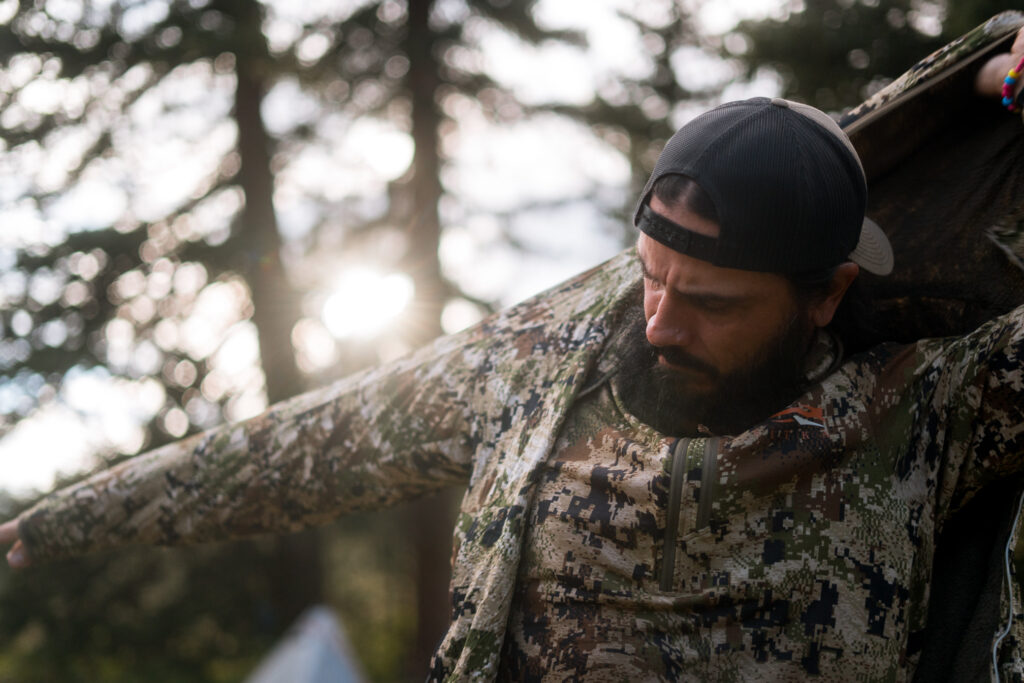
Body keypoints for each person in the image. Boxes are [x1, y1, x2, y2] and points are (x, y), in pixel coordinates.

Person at [4, 13, 1024, 682]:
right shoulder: (536, 366)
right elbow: (293, 451)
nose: (662, 321)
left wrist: (1009, 94)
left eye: (710, 300)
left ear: (824, 294)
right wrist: (43, 527)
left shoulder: (921, 411)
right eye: (651, 277)